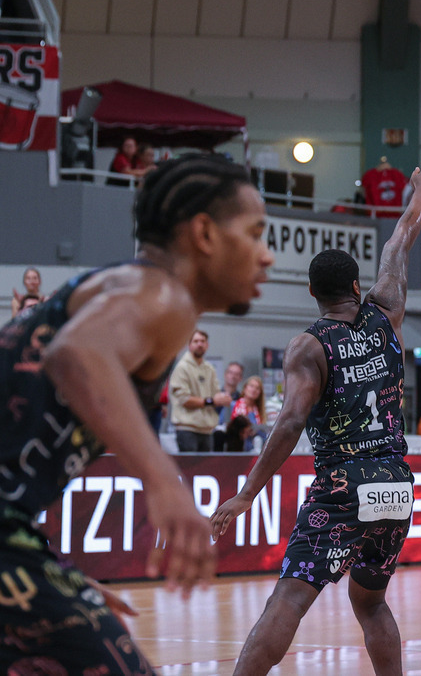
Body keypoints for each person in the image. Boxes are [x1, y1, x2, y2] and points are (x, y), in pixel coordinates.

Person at [0, 153, 272, 671]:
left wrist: (59, 579)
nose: (267, 256)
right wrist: (164, 481)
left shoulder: (126, 287)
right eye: (256, 233)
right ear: (205, 234)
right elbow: (75, 356)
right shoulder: (160, 295)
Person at [209, 149, 421, 676]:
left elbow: (292, 421)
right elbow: (398, 242)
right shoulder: (387, 311)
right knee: (370, 602)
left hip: (344, 483)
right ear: (353, 287)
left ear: (313, 293)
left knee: (291, 599)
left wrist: (248, 492)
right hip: (395, 484)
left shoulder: (309, 345)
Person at [169, 329, 232, 452]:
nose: (199, 344)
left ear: (207, 345)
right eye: (196, 341)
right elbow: (184, 399)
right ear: (189, 345)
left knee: (205, 469)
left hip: (207, 429)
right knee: (189, 469)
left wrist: (224, 398)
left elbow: (216, 394)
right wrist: (212, 401)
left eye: (203, 341)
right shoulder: (182, 367)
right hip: (187, 428)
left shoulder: (209, 368)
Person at [231, 375, 267, 451]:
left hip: (256, 447)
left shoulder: (260, 411)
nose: (254, 390)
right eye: (251, 386)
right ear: (245, 388)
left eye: (257, 388)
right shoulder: (233, 406)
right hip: (238, 447)